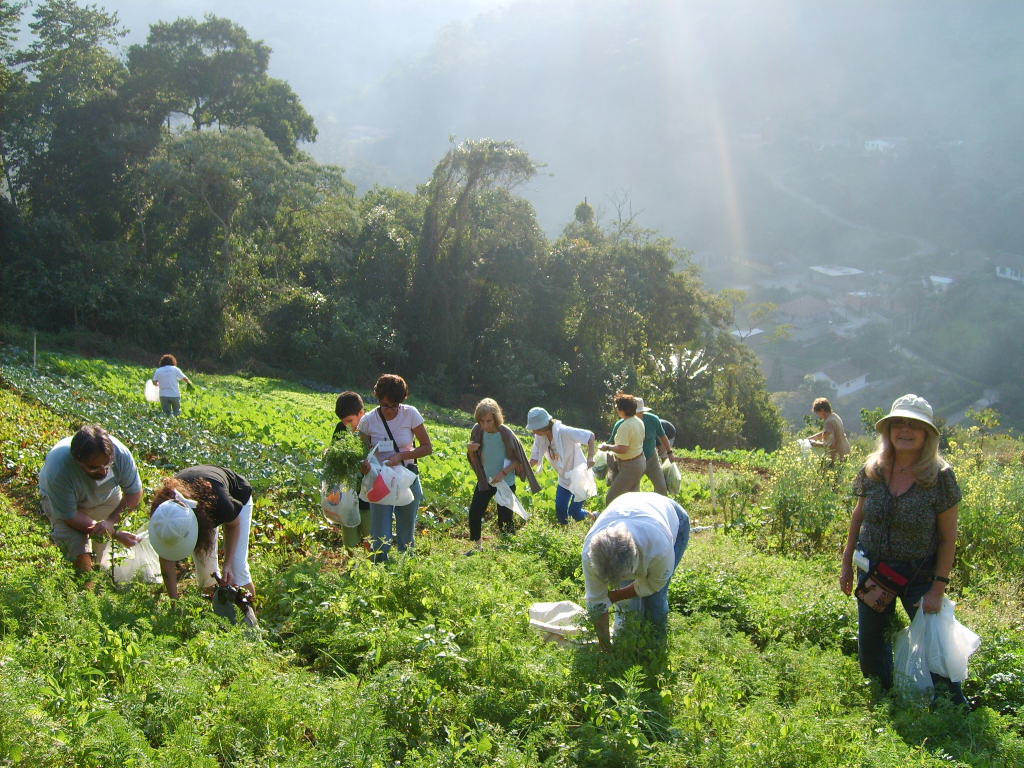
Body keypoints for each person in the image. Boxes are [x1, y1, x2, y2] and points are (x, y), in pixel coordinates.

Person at [839, 394, 966, 704]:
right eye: (899, 424)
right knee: (870, 643)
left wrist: (938, 587)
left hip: (919, 573)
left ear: (927, 434)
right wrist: (846, 563)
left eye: (914, 425)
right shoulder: (873, 469)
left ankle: (953, 706)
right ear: (888, 430)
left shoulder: (941, 477)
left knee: (933, 641)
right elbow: (858, 517)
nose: (905, 431)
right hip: (873, 570)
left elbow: (948, 538)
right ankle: (885, 698)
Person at [582, 491, 690, 650]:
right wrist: (606, 649)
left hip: (673, 517)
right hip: (629, 507)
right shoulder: (590, 554)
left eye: (627, 575)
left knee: (655, 600)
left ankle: (656, 648)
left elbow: (653, 584)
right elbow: (597, 603)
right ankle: (626, 643)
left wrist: (616, 596)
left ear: (635, 558)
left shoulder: (659, 549)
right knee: (629, 606)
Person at [39, 424, 143, 575]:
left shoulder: (121, 455)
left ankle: (101, 576)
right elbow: (70, 515)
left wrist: (110, 523)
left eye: (107, 465)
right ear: (78, 461)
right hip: (66, 505)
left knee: (104, 550)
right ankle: (86, 587)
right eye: (94, 468)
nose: (103, 471)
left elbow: (134, 493)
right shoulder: (59, 469)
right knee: (78, 548)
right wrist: (114, 533)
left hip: (107, 497)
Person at [149, 465, 256, 599]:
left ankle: (252, 614)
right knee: (206, 574)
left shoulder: (221, 505)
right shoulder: (164, 513)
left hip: (234, 495)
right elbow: (165, 556)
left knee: (237, 569)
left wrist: (227, 565)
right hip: (200, 498)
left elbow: (233, 525)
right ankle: (216, 614)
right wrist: (174, 601)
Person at [358, 374, 433, 562]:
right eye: (385, 405)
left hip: (406, 477)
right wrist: (365, 465)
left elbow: (427, 447)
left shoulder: (411, 414)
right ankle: (380, 570)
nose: (390, 411)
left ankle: (405, 569)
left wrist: (401, 456)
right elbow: (361, 452)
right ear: (378, 400)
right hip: (380, 479)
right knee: (381, 533)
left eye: (394, 406)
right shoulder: (368, 421)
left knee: (406, 533)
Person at [465, 398, 540, 554]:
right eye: (482, 421)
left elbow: (518, 458)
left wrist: (503, 473)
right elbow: (474, 458)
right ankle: (476, 547)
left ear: (496, 418)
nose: (485, 425)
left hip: (505, 481)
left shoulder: (505, 433)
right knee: (474, 513)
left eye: (489, 421)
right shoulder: (477, 430)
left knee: (505, 519)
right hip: (486, 480)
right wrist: (471, 450)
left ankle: (507, 550)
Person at [527, 406, 597, 524]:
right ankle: (565, 531)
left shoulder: (564, 432)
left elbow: (590, 436)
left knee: (574, 513)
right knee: (560, 510)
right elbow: (534, 457)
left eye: (535, 428)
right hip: (564, 478)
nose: (533, 431)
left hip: (579, 476)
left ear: (543, 426)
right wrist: (524, 468)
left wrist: (590, 457)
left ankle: (593, 516)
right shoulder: (540, 437)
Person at [332, 391, 372, 553]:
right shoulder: (341, 428)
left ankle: (372, 567)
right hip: (347, 491)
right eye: (344, 421)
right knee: (349, 535)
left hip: (368, 491)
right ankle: (352, 565)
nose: (347, 425)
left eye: (350, 420)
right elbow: (335, 452)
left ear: (361, 413)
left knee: (370, 534)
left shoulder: (372, 427)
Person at [600, 393, 646, 503]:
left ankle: (612, 518)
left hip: (630, 466)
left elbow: (623, 449)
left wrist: (608, 447)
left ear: (622, 409)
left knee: (612, 498)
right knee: (632, 498)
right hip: (639, 461)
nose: (616, 409)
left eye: (617, 407)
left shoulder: (625, 426)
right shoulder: (638, 421)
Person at [809, 397, 851, 461]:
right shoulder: (835, 416)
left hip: (838, 455)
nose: (818, 415)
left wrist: (814, 444)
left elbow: (831, 444)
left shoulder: (829, 422)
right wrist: (811, 438)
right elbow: (826, 432)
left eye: (818, 412)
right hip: (846, 450)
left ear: (822, 410)